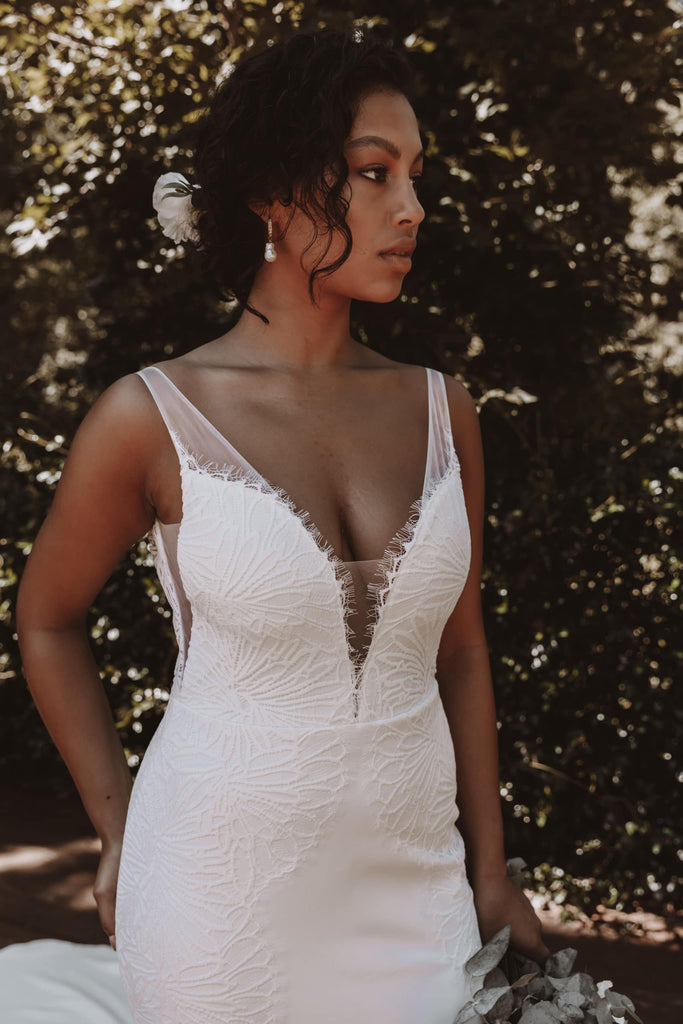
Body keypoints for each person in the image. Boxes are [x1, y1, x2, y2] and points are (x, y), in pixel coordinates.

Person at [16, 24, 550, 1024]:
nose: (411, 207)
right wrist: (119, 825)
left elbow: (462, 648)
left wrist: (489, 870)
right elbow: (46, 618)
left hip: (420, 893)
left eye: (414, 175)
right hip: (214, 893)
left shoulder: (442, 410)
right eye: (374, 173)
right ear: (271, 190)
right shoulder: (149, 416)